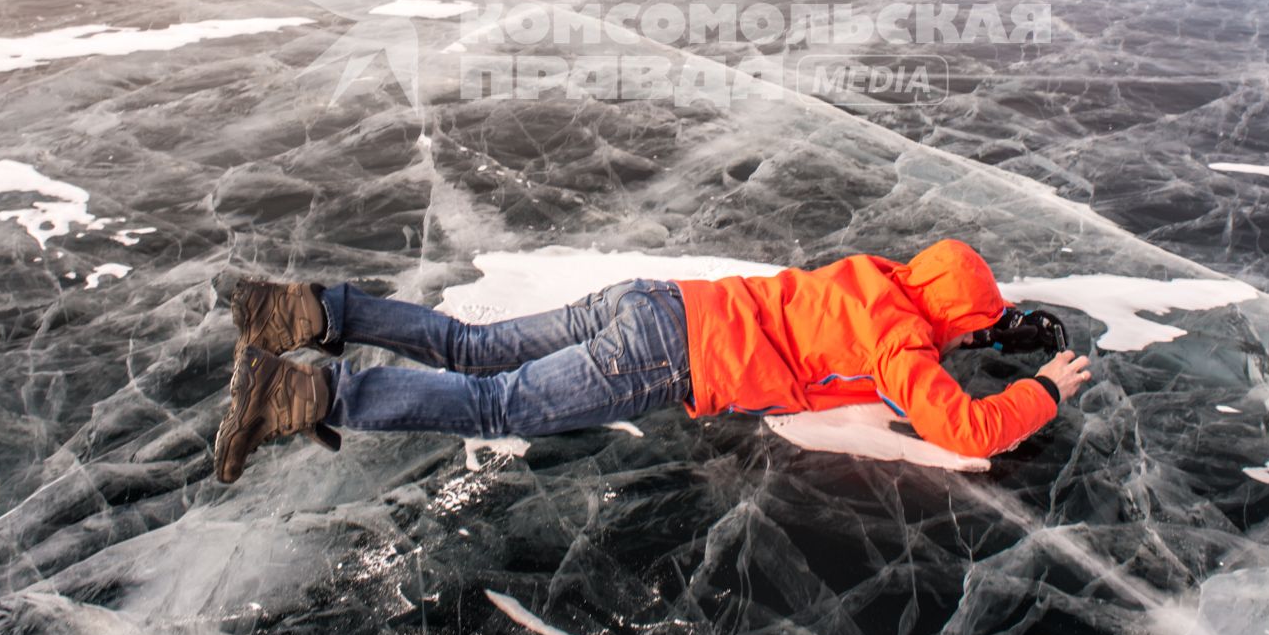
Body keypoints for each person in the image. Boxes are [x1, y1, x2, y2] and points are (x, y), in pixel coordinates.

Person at [213, 239, 1094, 482]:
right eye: (964, 331)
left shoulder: (876, 280)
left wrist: (990, 325)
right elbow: (961, 424)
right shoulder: (902, 340)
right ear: (944, 319)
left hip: (658, 299)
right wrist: (1043, 391)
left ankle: (310, 309)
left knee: (472, 347)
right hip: (673, 355)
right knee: (499, 406)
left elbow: (933, 315)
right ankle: (302, 396)